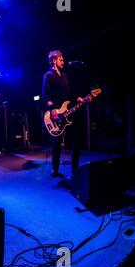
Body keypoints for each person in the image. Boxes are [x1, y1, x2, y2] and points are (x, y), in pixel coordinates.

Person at [42, 50, 91, 178]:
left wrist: (79, 99)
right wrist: (52, 109)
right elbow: (46, 95)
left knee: (77, 139)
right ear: (54, 61)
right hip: (56, 113)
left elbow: (69, 94)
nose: (63, 61)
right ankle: (55, 168)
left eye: (63, 59)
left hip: (67, 112)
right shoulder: (48, 75)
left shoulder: (64, 75)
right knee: (56, 143)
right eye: (61, 59)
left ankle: (75, 168)